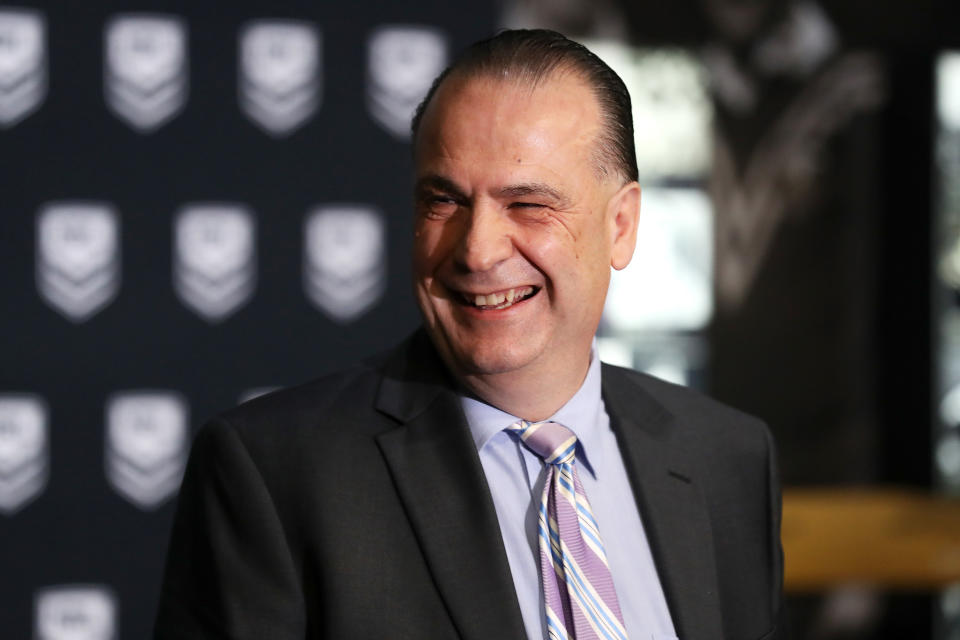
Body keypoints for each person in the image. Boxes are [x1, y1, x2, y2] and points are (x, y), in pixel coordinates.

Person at [154, 29, 783, 640]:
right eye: (444, 201)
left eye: (528, 204)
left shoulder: (727, 459)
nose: (478, 250)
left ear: (621, 226)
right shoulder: (276, 473)